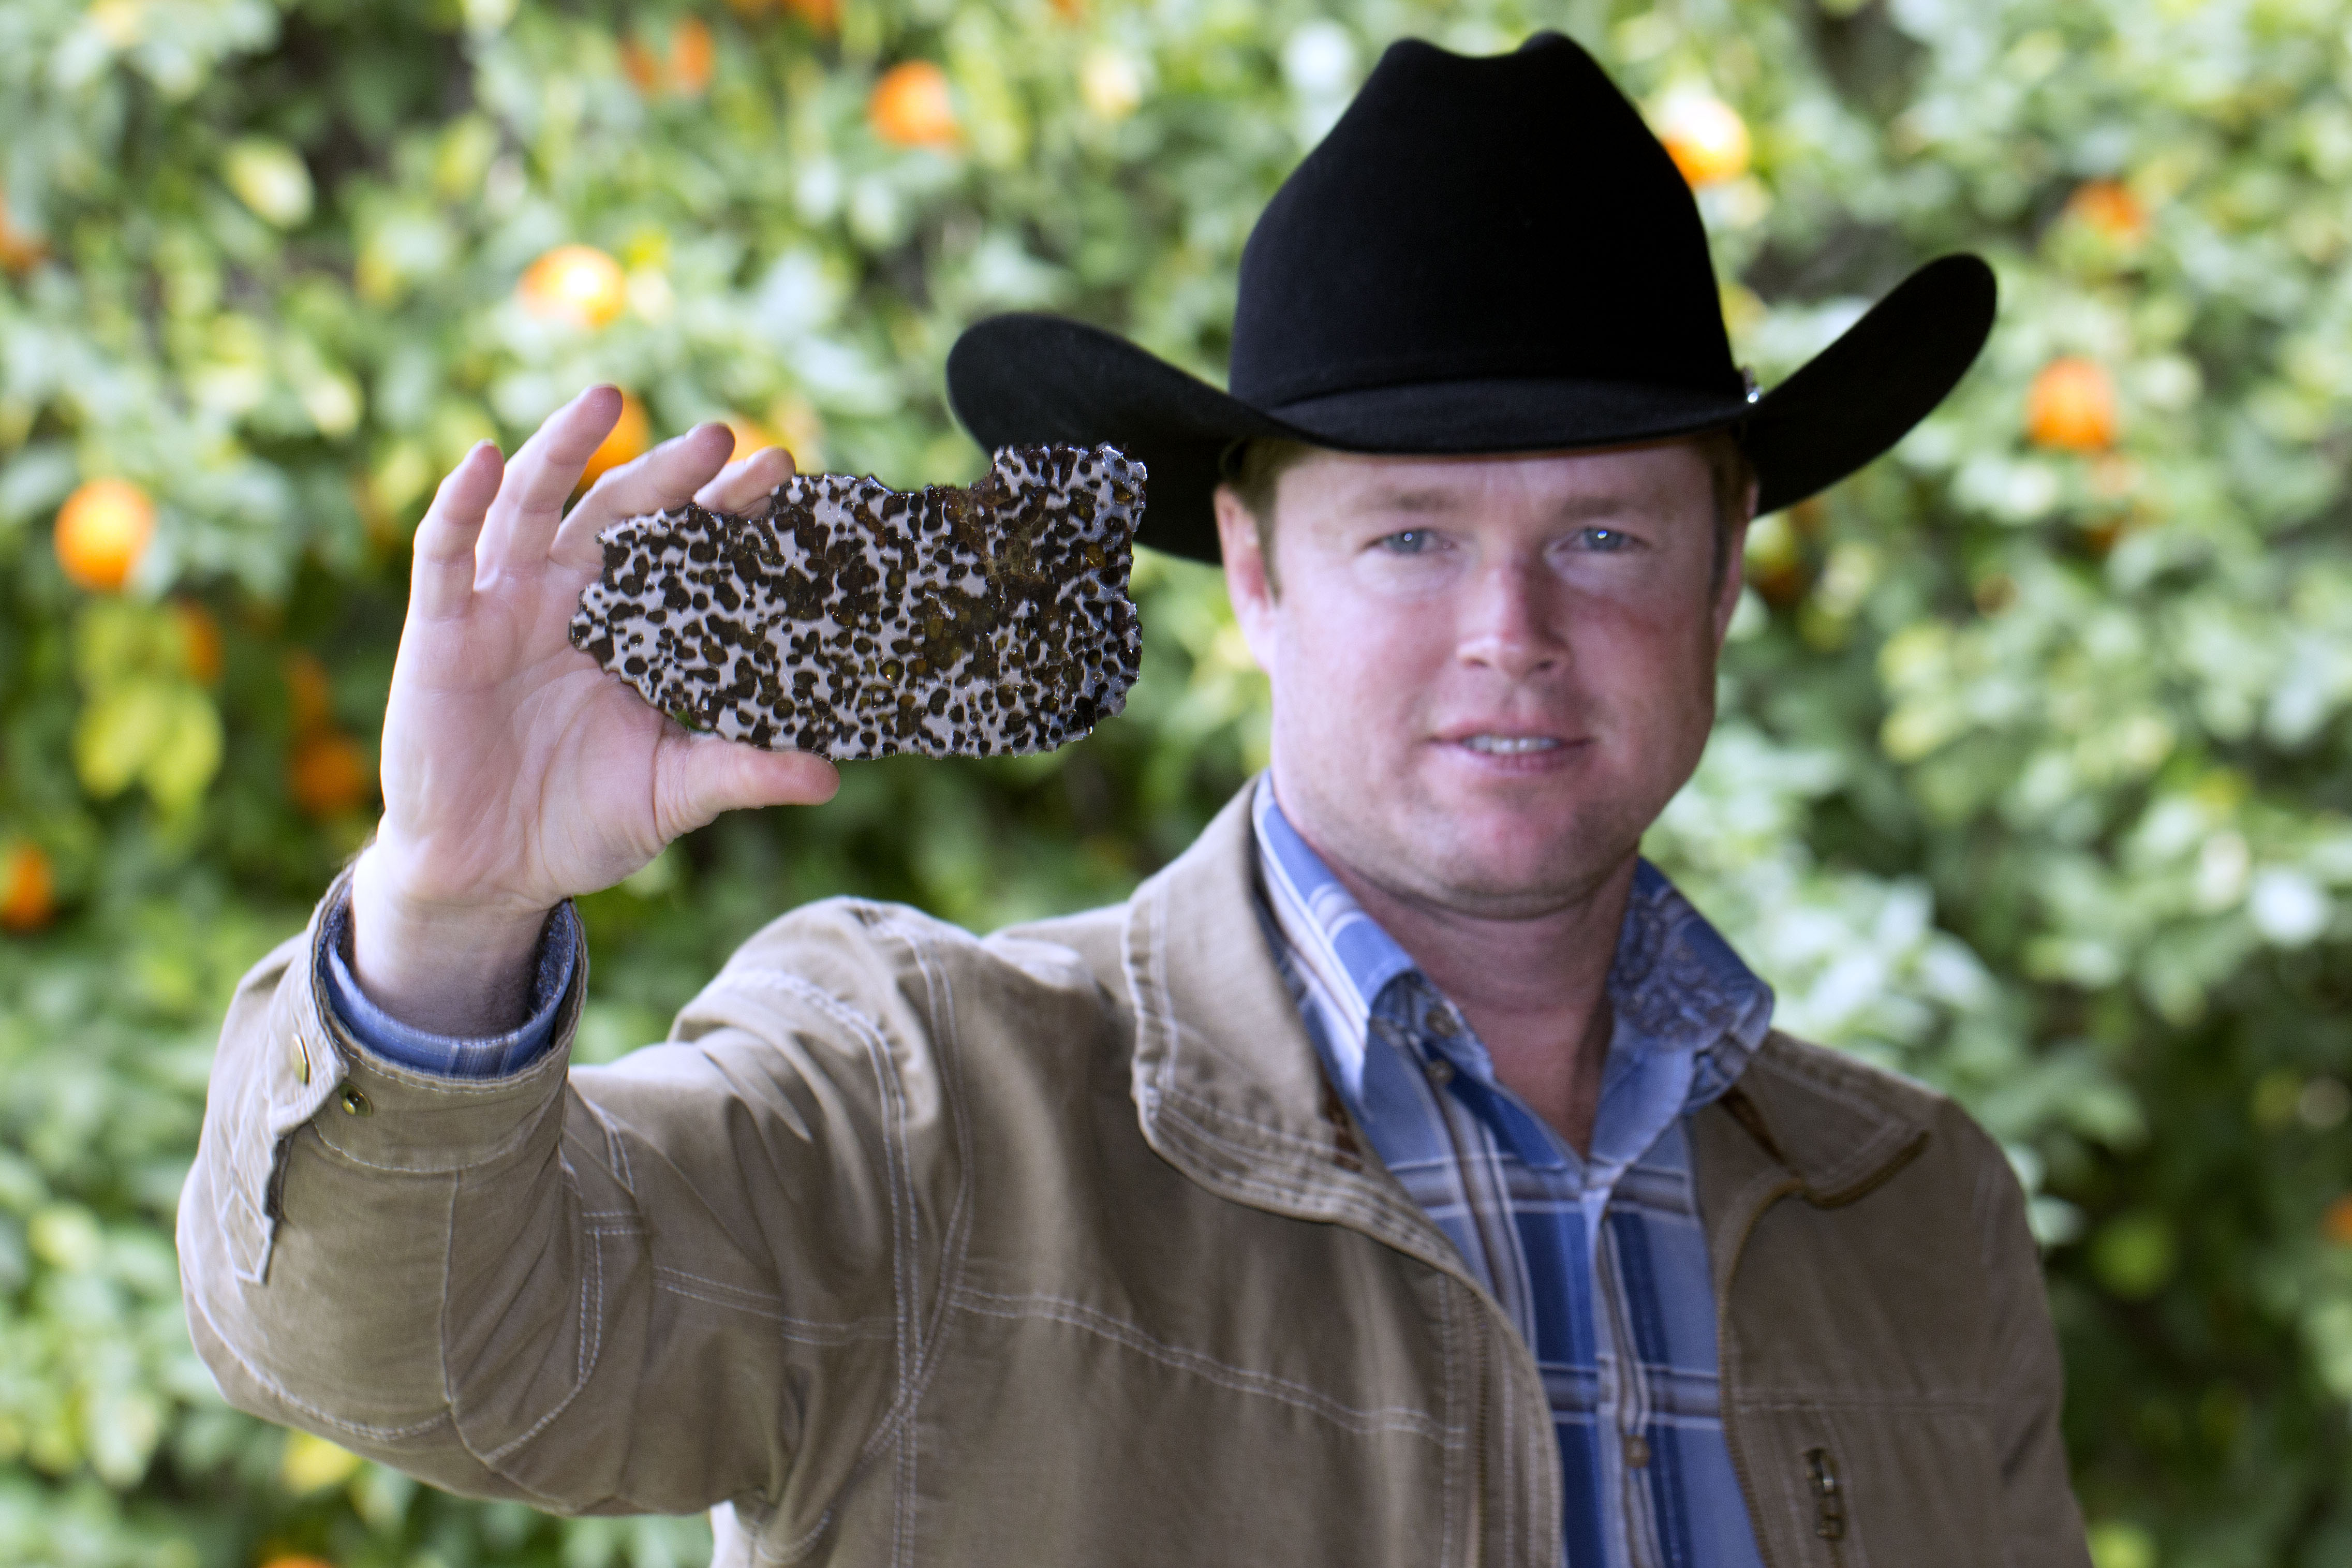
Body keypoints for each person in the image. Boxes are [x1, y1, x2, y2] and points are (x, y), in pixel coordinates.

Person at [179, 32, 2091, 1568]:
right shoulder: (924, 1108)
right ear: (1252, 571)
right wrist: (448, 902)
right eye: (1409, 536)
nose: (1508, 633)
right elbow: (405, 1348)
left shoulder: (1916, 1214)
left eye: (1603, 534)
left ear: (1723, 568)